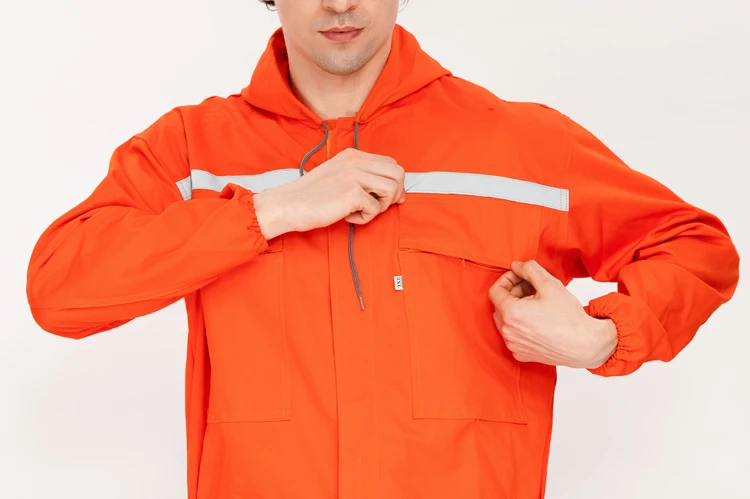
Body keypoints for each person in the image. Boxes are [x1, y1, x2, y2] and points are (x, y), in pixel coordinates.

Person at [26, 0, 740, 497]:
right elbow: (60, 287)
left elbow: (695, 246)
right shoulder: (193, 153)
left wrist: (602, 336)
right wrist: (271, 211)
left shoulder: (520, 146)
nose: (340, 3)